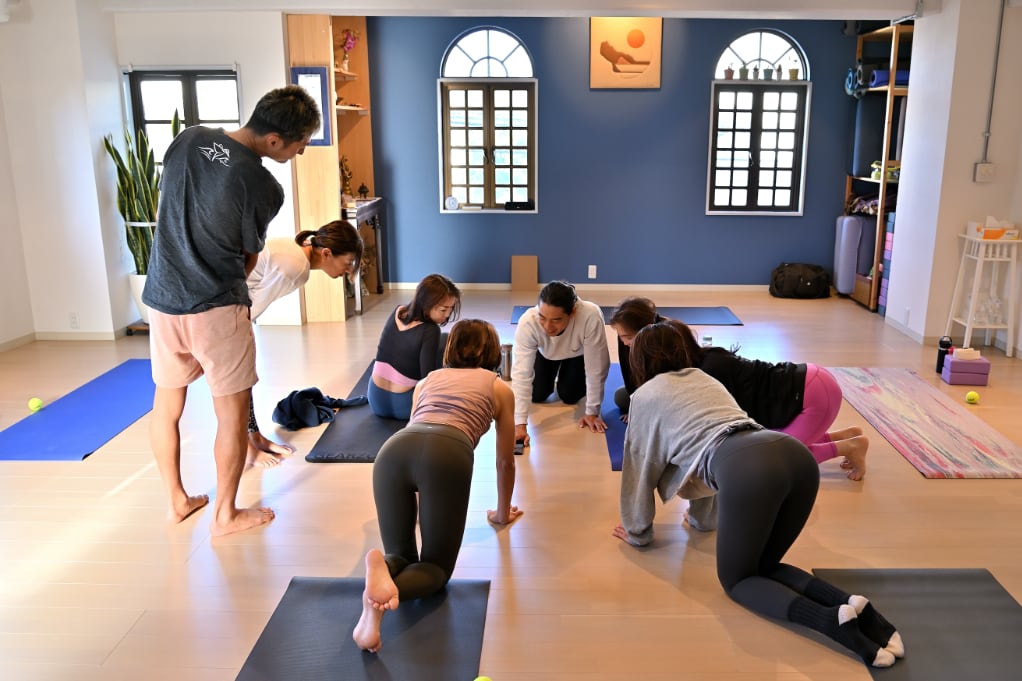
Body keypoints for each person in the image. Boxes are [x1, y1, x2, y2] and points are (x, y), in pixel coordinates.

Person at [612, 321, 904, 669]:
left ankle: (830, 622)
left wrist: (637, 531)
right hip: (793, 454)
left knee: (739, 580)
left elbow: (640, 467)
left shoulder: (644, 396)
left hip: (749, 468)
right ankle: (858, 609)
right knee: (763, 566)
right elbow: (707, 457)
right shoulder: (706, 379)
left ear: (639, 362)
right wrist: (705, 521)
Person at [142, 84, 321, 536]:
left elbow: (172, 206)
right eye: (300, 145)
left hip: (162, 299)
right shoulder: (263, 185)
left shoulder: (188, 138)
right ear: (276, 140)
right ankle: (225, 513)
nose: (299, 154)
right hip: (215, 306)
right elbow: (248, 256)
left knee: (166, 406)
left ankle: (176, 501)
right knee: (231, 415)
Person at [352, 319, 524, 653]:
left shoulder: (428, 381)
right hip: (447, 454)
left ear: (450, 348)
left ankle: (381, 573)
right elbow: (505, 460)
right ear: (492, 353)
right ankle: (377, 602)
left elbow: (419, 428)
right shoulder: (499, 388)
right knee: (434, 569)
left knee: (400, 555)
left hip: (392, 453)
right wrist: (502, 514)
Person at [609, 297, 868, 480]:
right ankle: (844, 435)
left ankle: (849, 447)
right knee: (773, 443)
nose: (625, 344)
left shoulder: (707, 372)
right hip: (807, 383)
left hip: (811, 393)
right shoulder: (697, 360)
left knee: (779, 460)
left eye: (627, 339)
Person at [244, 220, 364, 467]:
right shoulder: (297, 268)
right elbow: (253, 306)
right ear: (327, 253)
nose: (347, 271)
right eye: (347, 263)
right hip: (227, 313)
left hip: (235, 312)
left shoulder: (295, 254)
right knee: (237, 386)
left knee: (245, 381)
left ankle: (255, 438)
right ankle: (248, 449)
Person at [511, 280, 610, 446]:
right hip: (545, 353)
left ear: (572, 312)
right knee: (537, 395)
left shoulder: (590, 315)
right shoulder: (528, 322)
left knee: (570, 396)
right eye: (542, 317)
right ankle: (553, 376)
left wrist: (592, 412)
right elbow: (521, 374)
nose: (547, 326)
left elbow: (597, 367)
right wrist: (519, 424)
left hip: (576, 354)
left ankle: (564, 376)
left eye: (556, 320)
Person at [367, 273, 461, 420]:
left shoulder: (398, 311)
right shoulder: (430, 330)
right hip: (406, 407)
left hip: (376, 400)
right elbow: (427, 379)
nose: (447, 315)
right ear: (427, 303)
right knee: (445, 339)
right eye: (443, 310)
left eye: (451, 308)